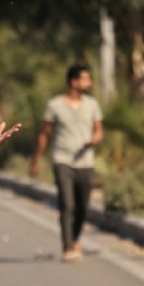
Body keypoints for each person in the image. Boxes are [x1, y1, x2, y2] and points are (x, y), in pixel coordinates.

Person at [30, 64, 104, 263]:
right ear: (74, 82)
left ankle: (75, 238)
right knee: (67, 204)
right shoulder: (55, 105)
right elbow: (45, 134)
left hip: (85, 162)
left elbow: (98, 130)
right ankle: (68, 246)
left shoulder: (92, 105)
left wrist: (94, 140)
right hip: (62, 160)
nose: (89, 83)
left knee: (83, 207)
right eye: (85, 79)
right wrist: (36, 160)